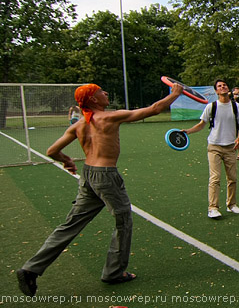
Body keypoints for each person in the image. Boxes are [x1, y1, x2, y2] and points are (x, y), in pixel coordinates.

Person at [16, 83, 183, 296]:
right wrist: (175, 94)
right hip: (106, 176)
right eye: (101, 91)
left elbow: (52, 151)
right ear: (93, 100)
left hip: (88, 175)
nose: (106, 93)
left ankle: (30, 269)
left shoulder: (79, 125)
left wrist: (66, 160)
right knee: (123, 221)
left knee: (70, 224)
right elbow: (153, 110)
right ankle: (114, 272)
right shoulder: (108, 117)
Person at [183, 79, 239, 219]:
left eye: (224, 85)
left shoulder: (237, 107)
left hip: (230, 147)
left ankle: (232, 205)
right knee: (215, 178)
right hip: (214, 147)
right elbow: (201, 125)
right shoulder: (211, 107)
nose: (223, 87)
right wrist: (187, 131)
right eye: (219, 86)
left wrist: (238, 139)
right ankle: (213, 208)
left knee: (232, 178)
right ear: (216, 91)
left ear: (228, 89)